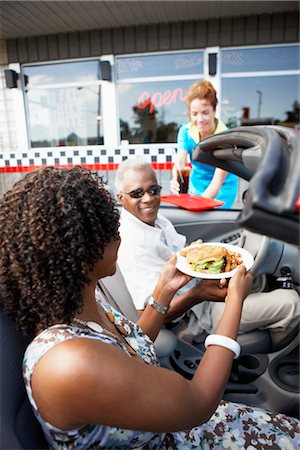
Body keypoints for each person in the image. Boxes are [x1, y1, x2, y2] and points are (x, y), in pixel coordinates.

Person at [1, 166, 299, 450]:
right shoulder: (68, 362)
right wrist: (236, 301)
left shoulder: (84, 299)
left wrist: (174, 290)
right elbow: (198, 403)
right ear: (78, 254)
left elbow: (127, 349)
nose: (118, 234)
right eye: (107, 229)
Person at [116, 157, 300, 345]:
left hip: (201, 290)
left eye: (153, 190)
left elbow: (179, 258)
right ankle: (271, 359)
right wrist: (197, 294)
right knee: (292, 303)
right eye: (137, 193)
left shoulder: (158, 220)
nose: (148, 198)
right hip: (194, 316)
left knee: (259, 280)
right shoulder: (131, 246)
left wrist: (194, 253)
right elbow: (147, 315)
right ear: (121, 198)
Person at [170, 80, 238, 208]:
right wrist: (175, 177)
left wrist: (196, 206)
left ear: (214, 110)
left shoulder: (226, 137)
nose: (200, 119)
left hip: (221, 190)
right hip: (196, 186)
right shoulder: (185, 131)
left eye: (205, 113)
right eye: (194, 114)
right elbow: (180, 161)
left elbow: (217, 182)